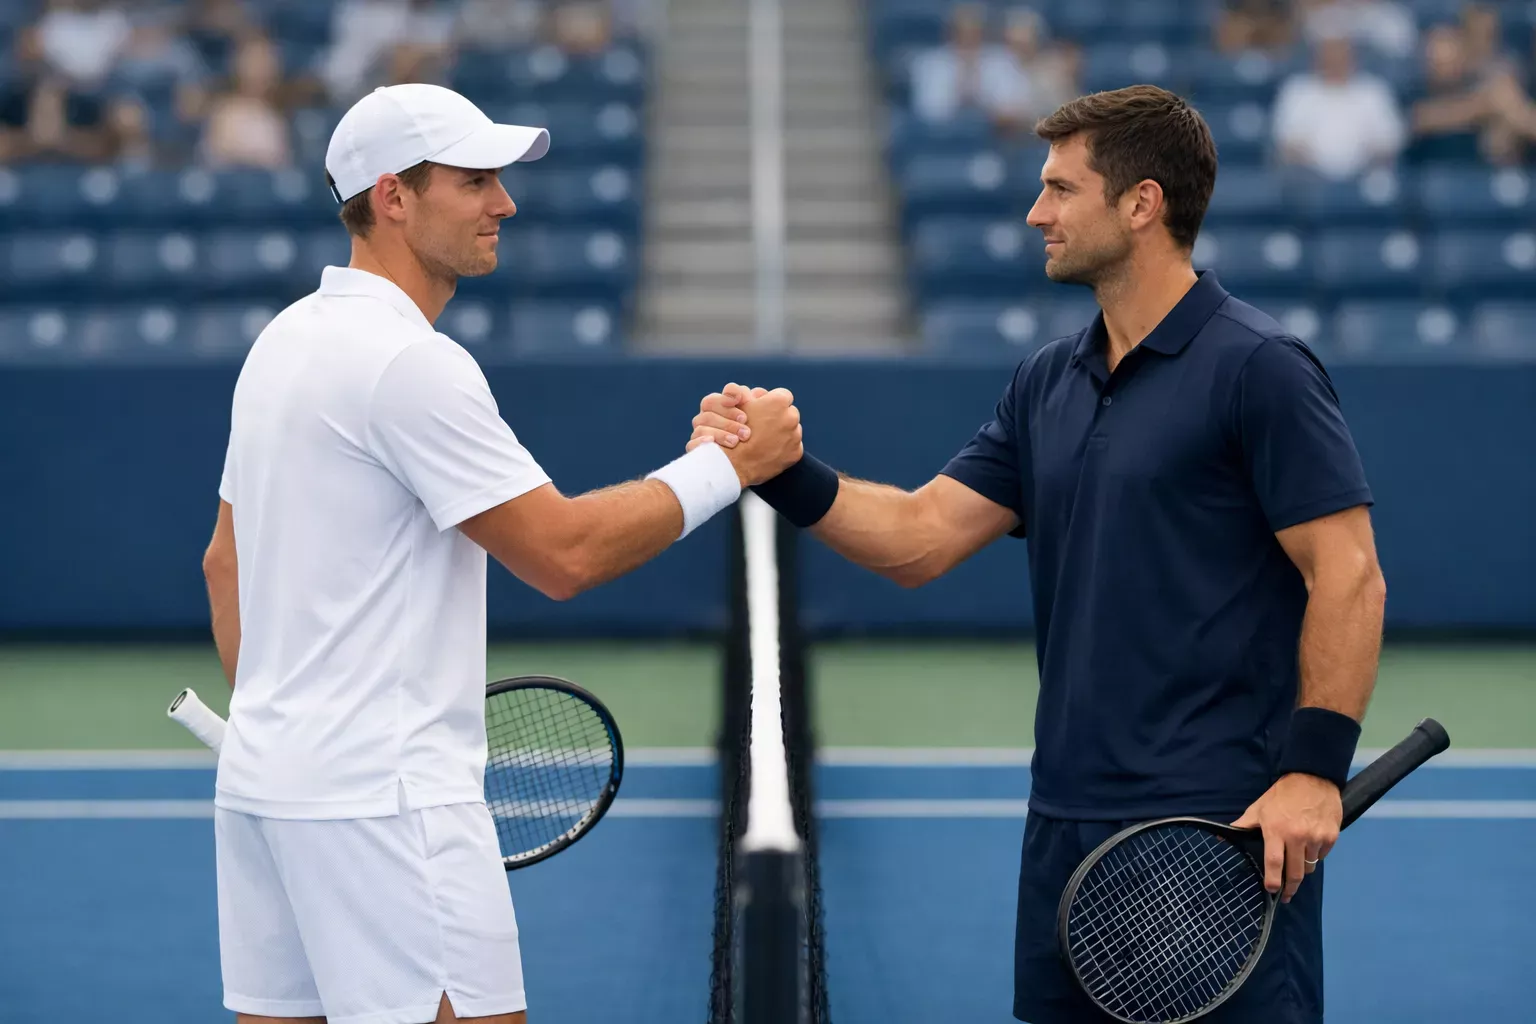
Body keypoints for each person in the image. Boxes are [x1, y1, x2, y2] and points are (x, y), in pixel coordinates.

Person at [691, 85, 1386, 1024]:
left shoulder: (1262, 369)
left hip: (1212, 827)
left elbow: (1346, 571)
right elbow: (919, 538)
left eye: (1060, 189)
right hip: (1064, 823)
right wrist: (781, 470)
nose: (1036, 213)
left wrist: (1313, 772)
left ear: (1141, 204)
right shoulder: (1046, 381)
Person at [201, 83, 803, 1024]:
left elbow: (222, 564)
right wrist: (730, 468)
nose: (505, 204)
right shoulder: (410, 364)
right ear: (394, 196)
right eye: (475, 180)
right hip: (388, 802)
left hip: (265, 791)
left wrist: (291, 727)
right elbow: (563, 555)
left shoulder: (284, 341)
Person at [1272, 34, 1406, 180]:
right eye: (1329, 55)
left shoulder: (1373, 90)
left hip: (1365, 175)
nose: (1335, 61)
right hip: (1308, 177)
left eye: (1340, 55)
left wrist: (1359, 164)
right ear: (1317, 57)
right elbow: (1286, 142)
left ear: (1352, 57)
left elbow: (1390, 140)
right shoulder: (1297, 90)